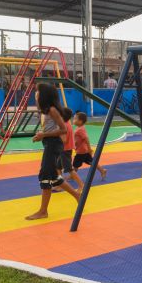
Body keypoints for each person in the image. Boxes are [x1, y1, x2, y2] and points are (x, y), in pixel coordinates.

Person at [25, 83, 81, 220]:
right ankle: (76, 195)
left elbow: (63, 129)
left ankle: (43, 211)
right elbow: (52, 129)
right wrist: (42, 134)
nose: (36, 95)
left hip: (53, 145)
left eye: (38, 92)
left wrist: (43, 135)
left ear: (44, 96)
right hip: (50, 144)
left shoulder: (52, 110)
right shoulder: (45, 111)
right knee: (53, 177)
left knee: (45, 176)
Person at [72, 112, 107, 180]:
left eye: (75, 119)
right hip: (84, 150)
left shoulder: (80, 130)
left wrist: (89, 149)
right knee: (92, 162)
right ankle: (102, 170)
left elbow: (86, 139)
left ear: (80, 121)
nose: (73, 120)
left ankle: (73, 175)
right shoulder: (80, 128)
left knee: (75, 164)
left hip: (81, 152)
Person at [58, 108, 83, 191]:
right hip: (63, 150)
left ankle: (81, 184)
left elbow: (64, 140)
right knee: (57, 167)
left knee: (69, 169)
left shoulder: (64, 125)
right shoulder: (67, 122)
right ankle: (59, 184)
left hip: (65, 150)